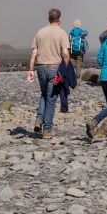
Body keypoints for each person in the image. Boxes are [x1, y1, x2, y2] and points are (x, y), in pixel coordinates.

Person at [27, 8, 70, 138]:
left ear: (49, 19)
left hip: (40, 67)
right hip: (54, 68)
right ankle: (47, 130)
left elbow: (34, 52)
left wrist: (30, 69)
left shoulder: (40, 32)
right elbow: (65, 53)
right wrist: (66, 67)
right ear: (59, 19)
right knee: (51, 98)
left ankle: (39, 120)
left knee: (44, 94)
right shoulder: (62, 33)